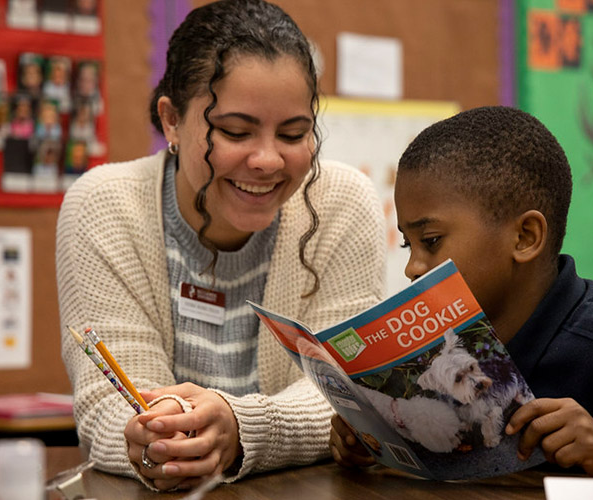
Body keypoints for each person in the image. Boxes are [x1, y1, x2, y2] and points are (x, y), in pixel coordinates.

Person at [56, 0, 385, 493]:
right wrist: (159, 436)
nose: (268, 160)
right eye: (235, 131)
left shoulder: (340, 203)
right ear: (171, 120)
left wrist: (240, 427)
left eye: (294, 133)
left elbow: (350, 395)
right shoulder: (104, 206)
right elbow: (109, 408)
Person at [329, 106, 593, 479]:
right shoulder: (443, 351)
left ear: (525, 237)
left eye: (431, 241)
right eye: (408, 245)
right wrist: (375, 440)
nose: (412, 268)